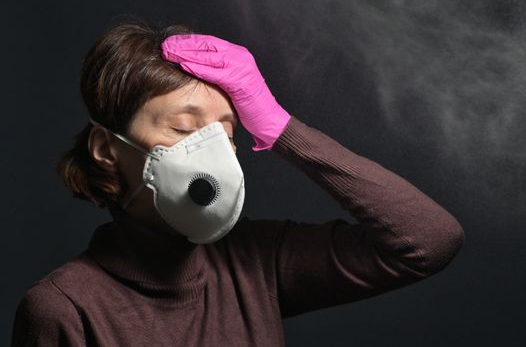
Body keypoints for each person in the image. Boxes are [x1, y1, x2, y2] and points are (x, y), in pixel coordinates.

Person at [11, 19, 465, 346]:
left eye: (226, 134)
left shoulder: (256, 263)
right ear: (107, 148)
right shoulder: (64, 309)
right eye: (185, 130)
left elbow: (429, 240)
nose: (212, 153)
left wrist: (278, 126)